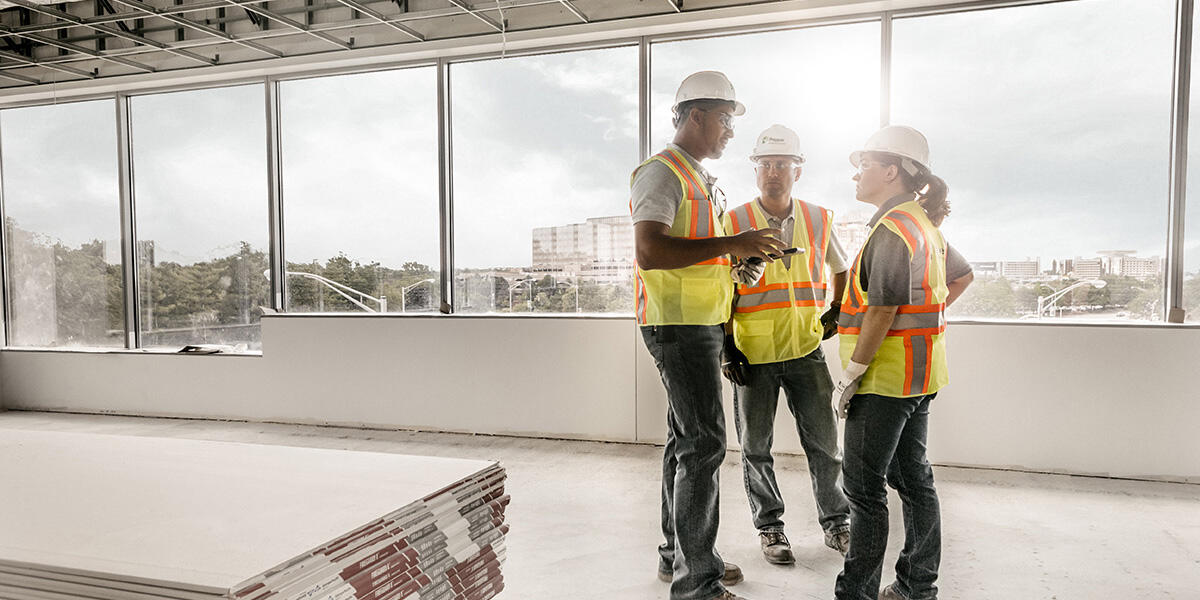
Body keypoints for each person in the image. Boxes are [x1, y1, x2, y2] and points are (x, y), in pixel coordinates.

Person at [630, 70, 787, 600]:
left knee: (685, 442)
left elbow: (702, 255)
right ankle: (698, 584)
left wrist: (740, 259)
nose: (729, 131)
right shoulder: (662, 174)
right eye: (724, 119)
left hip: (698, 323)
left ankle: (679, 556)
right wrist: (731, 243)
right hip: (677, 326)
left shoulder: (700, 179)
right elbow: (651, 252)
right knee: (704, 445)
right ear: (695, 115)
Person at [831, 125, 974, 600]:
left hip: (884, 383)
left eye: (864, 164)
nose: (856, 173)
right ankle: (917, 587)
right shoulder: (922, 224)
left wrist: (851, 373)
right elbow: (962, 277)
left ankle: (856, 593)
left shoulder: (894, 229)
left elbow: (885, 307)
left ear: (891, 171)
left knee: (863, 492)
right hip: (920, 376)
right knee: (914, 480)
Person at [719, 124, 852, 566]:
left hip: (805, 350)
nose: (773, 173)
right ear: (756, 170)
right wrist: (726, 345)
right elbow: (719, 287)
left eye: (782, 165)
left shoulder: (817, 218)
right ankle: (770, 528)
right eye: (765, 165)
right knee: (756, 448)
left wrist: (836, 308)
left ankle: (836, 524)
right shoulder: (733, 222)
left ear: (798, 170)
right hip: (752, 354)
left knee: (825, 445)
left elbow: (841, 267)